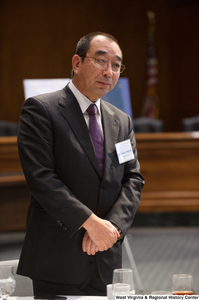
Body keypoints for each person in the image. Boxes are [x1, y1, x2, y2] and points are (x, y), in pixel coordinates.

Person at [17, 31, 145, 296]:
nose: (109, 71)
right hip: (57, 257)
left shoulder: (121, 121)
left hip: (106, 257)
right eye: (101, 61)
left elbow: (133, 179)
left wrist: (112, 229)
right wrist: (91, 223)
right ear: (76, 63)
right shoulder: (42, 110)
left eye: (116, 65)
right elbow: (41, 178)